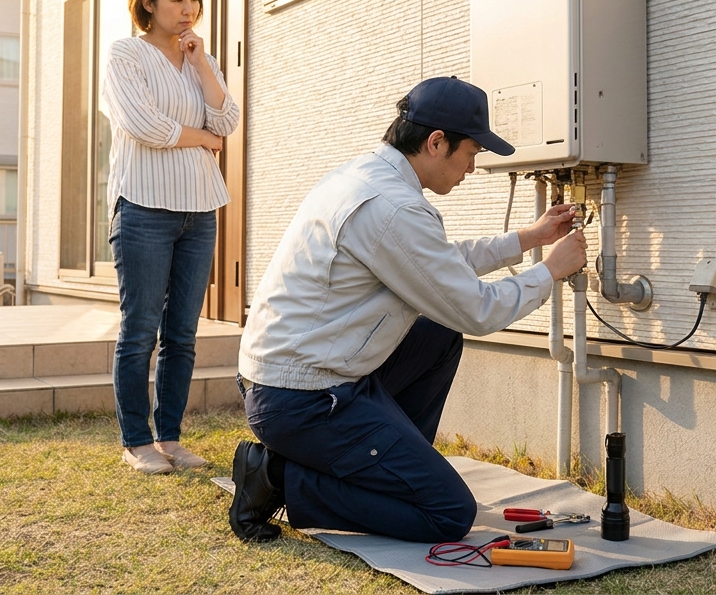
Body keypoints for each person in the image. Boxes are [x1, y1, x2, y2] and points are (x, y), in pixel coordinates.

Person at [229, 76, 588, 542]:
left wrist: (529, 240)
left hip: (306, 377)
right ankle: (276, 476)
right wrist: (550, 272)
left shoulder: (366, 177)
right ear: (437, 143)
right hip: (301, 399)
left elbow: (434, 266)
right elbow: (477, 310)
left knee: (436, 336)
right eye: (472, 154)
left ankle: (391, 473)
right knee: (448, 514)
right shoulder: (391, 207)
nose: (472, 169)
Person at [103, 0, 240, 475]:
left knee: (183, 332)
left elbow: (227, 118)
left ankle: (171, 439)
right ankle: (136, 441)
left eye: (195, 0)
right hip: (142, 208)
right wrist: (201, 137)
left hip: (199, 209)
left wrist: (202, 63)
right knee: (140, 330)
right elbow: (145, 125)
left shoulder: (198, 58)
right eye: (177, 0)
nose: (188, 10)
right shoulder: (126, 55)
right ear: (149, 1)